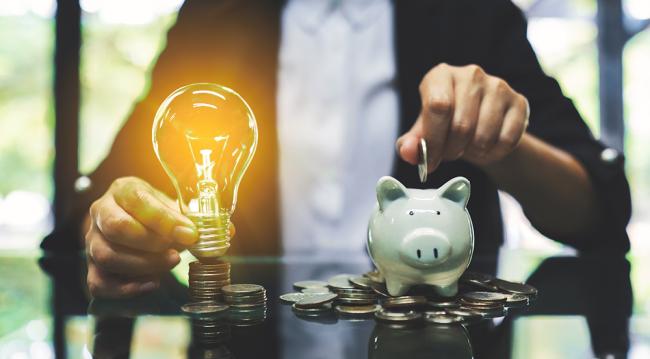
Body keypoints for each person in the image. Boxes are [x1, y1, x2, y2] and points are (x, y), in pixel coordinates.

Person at [42, 0, 631, 298]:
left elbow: (598, 213)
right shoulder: (215, 15)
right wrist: (115, 225)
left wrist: (500, 144)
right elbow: (103, 206)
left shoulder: (468, 10)